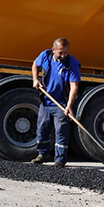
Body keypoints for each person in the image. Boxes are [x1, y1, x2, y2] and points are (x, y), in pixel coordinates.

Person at [31, 37, 81, 167]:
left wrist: (69, 106)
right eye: (60, 52)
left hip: (61, 104)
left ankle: (60, 159)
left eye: (66, 52)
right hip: (46, 102)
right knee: (42, 129)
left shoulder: (72, 64)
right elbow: (35, 64)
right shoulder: (45, 56)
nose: (63, 55)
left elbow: (74, 86)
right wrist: (35, 79)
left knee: (61, 131)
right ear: (53, 50)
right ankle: (42, 154)